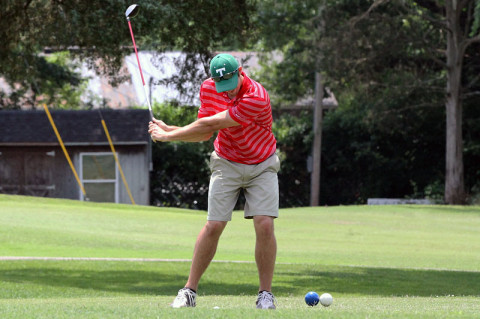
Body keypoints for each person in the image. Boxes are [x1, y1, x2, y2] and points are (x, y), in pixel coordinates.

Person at [148, 53, 280, 310]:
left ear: (241, 72)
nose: (227, 93)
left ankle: (265, 295)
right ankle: (189, 291)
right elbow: (204, 133)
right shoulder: (209, 88)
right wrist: (171, 129)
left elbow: (216, 121)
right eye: (222, 88)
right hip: (226, 161)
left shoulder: (256, 96)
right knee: (214, 225)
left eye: (230, 86)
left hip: (262, 164)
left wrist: (168, 135)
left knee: (264, 225)